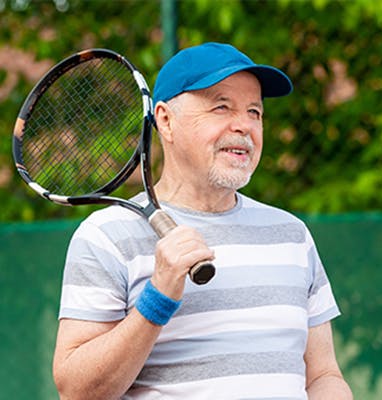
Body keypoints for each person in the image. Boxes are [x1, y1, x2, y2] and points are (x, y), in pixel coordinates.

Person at [53, 42, 353, 400]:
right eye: (221, 106)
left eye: (254, 112)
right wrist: (158, 297)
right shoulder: (106, 236)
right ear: (165, 120)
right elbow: (76, 391)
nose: (243, 126)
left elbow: (322, 376)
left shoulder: (292, 235)